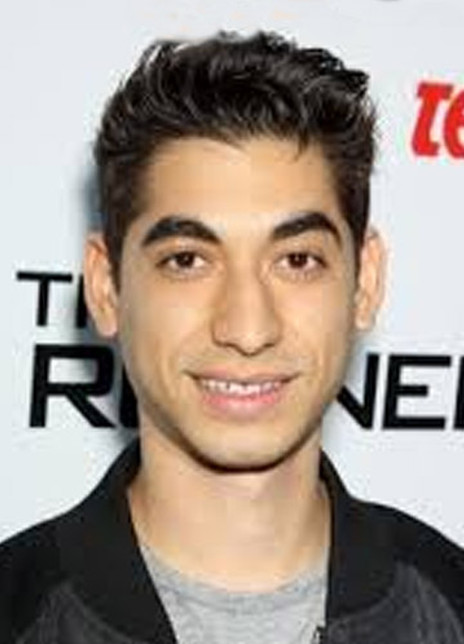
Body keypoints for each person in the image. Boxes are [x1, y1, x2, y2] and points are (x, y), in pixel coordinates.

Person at [1, 31, 463, 644]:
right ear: (106, 286)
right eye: (187, 260)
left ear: (366, 281)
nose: (248, 330)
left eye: (297, 260)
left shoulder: (450, 604)